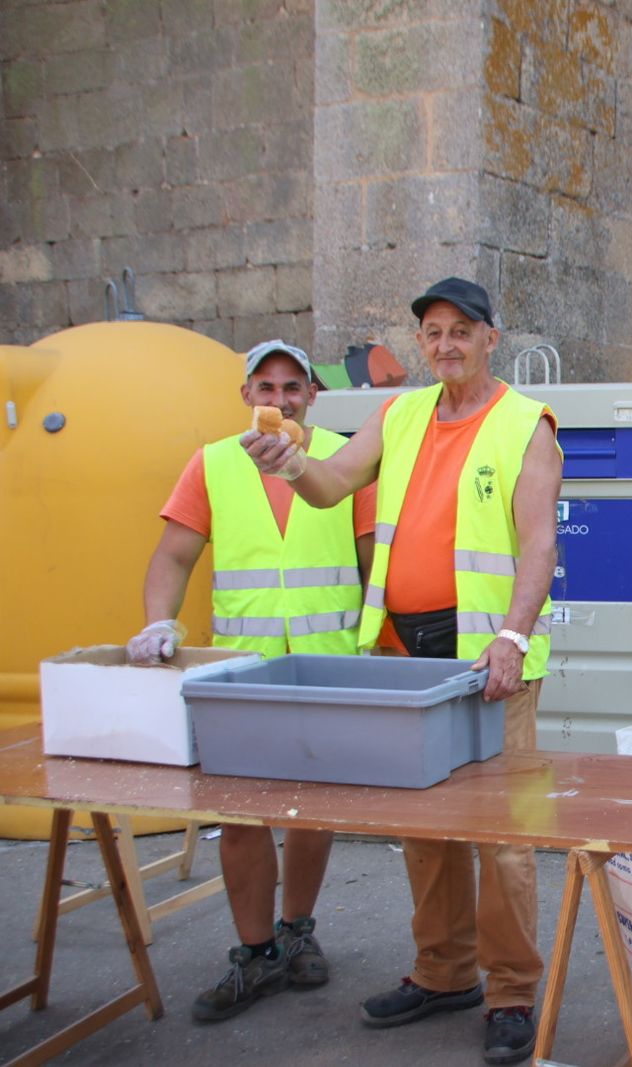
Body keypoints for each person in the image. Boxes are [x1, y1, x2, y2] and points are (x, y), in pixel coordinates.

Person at [242, 278, 561, 1065]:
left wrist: (512, 640)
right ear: (421, 343)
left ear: (493, 336)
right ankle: (444, 971)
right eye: (432, 332)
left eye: (461, 330)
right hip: (402, 649)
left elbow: (539, 545)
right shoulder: (401, 413)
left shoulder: (528, 425)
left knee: (503, 838)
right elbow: (328, 486)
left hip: (488, 654)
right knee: (425, 829)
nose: (445, 344)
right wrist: (287, 461)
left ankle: (513, 989)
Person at [127, 339, 375, 1021]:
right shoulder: (212, 464)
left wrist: (383, 645)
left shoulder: (344, 459)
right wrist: (159, 623)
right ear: (246, 397)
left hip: (327, 661)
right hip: (243, 666)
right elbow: (174, 555)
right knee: (240, 814)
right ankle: (256, 949)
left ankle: (298, 930)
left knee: (313, 810)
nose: (279, 398)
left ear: (312, 397)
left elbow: (369, 559)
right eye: (265, 387)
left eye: (292, 387)